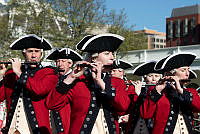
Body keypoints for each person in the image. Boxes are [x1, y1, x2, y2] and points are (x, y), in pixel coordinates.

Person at [46, 33, 131, 134]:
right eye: (107, 53)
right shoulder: (78, 81)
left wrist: (101, 83)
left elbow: (123, 107)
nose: (112, 57)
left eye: (112, 54)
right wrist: (70, 77)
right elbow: (52, 104)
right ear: (94, 58)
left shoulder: (117, 82)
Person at [0, 34, 58, 134]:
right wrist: (1, 75)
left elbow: (39, 90)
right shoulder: (10, 73)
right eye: (30, 51)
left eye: (37, 51)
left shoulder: (49, 73)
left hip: (35, 129)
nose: (34, 55)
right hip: (11, 129)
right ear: (24, 54)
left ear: (41, 54)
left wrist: (19, 72)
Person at [140, 52, 200, 134]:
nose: (187, 73)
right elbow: (145, 114)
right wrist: (157, 91)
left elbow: (198, 107)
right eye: (183, 70)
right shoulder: (158, 92)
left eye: (188, 70)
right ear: (171, 73)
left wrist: (180, 90)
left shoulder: (190, 92)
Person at [46, 48, 83, 134]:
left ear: (70, 64)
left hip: (69, 119)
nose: (60, 64)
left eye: (63, 61)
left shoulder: (78, 79)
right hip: (53, 118)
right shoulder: (53, 78)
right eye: (58, 61)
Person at [125, 61, 162, 134]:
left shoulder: (162, 92)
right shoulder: (140, 90)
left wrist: (139, 94)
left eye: (156, 76)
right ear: (145, 78)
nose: (154, 79)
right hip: (137, 127)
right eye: (150, 76)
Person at [110, 59, 133, 134]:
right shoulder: (108, 81)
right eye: (110, 71)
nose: (111, 73)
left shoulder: (130, 84)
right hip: (114, 116)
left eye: (113, 71)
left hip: (127, 119)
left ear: (121, 72)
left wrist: (130, 115)